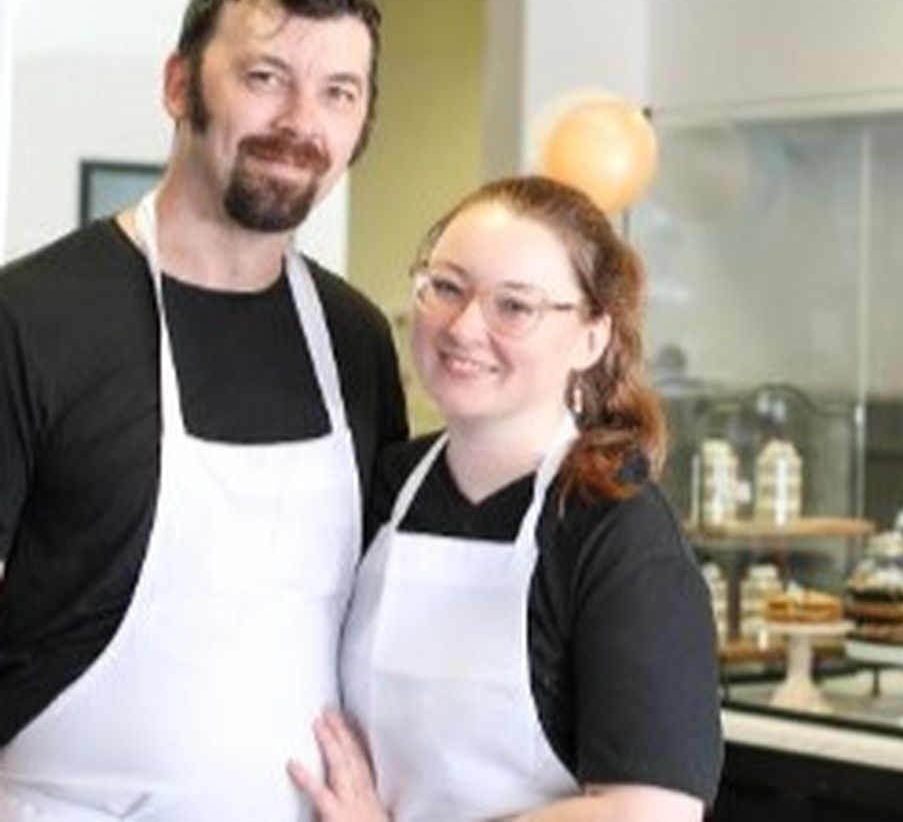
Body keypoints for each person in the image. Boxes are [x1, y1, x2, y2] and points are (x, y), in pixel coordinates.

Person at [0, 0, 407, 819]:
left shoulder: (357, 340)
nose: (300, 122)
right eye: (265, 77)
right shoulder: (29, 318)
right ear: (180, 84)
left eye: (338, 92)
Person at [290, 175, 723, 821]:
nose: (465, 326)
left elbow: (650, 810)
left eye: (514, 306)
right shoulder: (385, 486)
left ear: (592, 337)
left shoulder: (617, 530)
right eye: (447, 287)